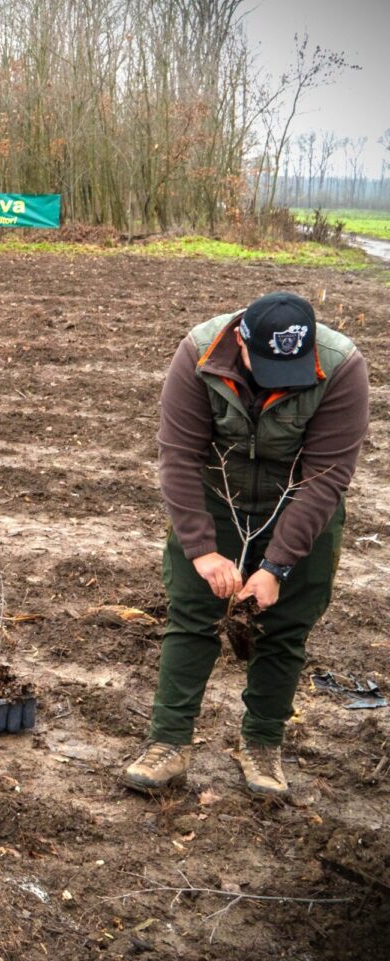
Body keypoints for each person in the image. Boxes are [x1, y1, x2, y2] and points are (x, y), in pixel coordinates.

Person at [123, 292, 368, 798]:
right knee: (192, 615)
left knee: (283, 628)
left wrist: (277, 566)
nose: (281, 379)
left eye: (291, 369)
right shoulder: (199, 352)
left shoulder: (341, 366)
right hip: (217, 492)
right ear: (241, 341)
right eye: (269, 367)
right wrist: (202, 551)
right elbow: (179, 457)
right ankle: (168, 744)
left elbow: (325, 478)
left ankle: (260, 743)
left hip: (298, 499)